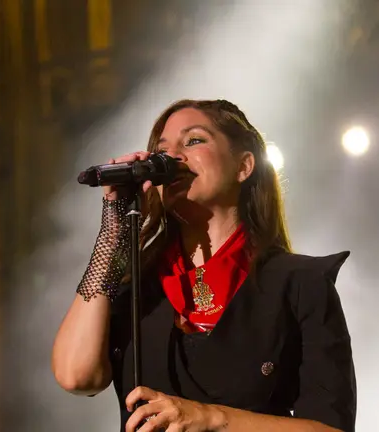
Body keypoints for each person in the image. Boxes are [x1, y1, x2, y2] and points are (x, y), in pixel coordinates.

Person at [52, 99, 356, 432]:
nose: (172, 157)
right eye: (161, 150)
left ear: (244, 166)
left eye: (194, 140)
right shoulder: (140, 289)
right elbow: (76, 376)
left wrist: (209, 418)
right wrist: (113, 232)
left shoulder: (299, 284)